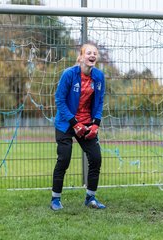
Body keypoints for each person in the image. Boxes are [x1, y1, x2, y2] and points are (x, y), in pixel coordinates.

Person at [51, 43, 106, 211]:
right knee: (64, 158)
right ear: (81, 57)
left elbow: (99, 101)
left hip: (87, 122)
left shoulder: (99, 76)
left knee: (96, 158)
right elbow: (59, 100)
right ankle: (55, 199)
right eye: (89, 53)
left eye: (95, 53)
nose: (92, 55)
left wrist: (95, 124)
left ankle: (90, 198)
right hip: (66, 123)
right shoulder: (69, 74)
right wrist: (74, 124)